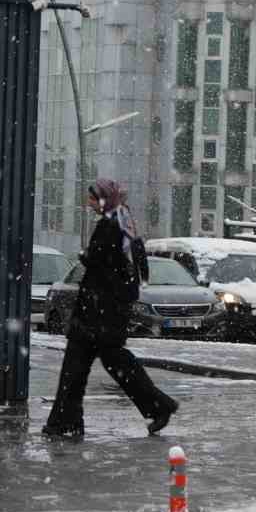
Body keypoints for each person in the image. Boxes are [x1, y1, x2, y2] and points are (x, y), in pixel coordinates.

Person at [42, 180, 179, 439]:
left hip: (99, 313)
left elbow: (99, 260)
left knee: (78, 369)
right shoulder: (122, 222)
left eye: (93, 199)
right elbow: (132, 266)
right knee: (109, 365)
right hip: (104, 313)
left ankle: (65, 423)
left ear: (105, 199)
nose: (89, 203)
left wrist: (86, 256)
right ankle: (157, 406)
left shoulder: (111, 225)